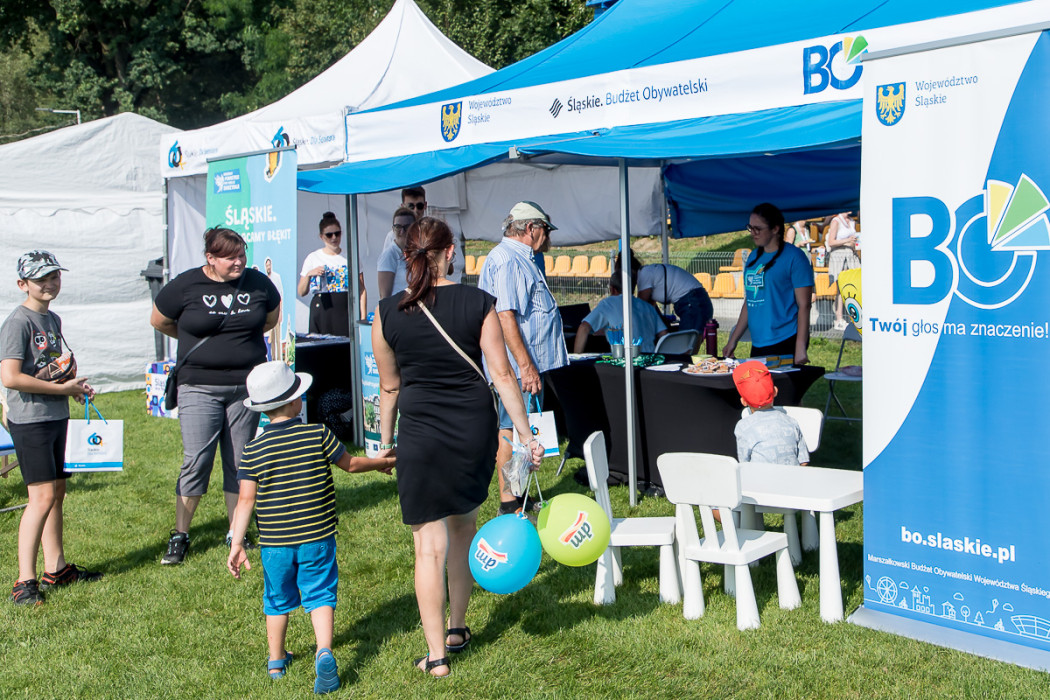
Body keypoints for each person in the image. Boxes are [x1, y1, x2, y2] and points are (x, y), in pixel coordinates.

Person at [372, 217, 543, 678]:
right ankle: (457, 628)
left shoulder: (387, 312)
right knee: (463, 528)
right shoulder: (478, 302)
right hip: (472, 430)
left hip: (420, 436)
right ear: (450, 252)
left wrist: (384, 444)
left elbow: (389, 387)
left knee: (428, 547)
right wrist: (526, 435)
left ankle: (437, 656)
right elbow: (502, 375)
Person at [227, 361, 394, 691]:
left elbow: (245, 500)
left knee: (276, 600)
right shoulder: (317, 433)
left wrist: (236, 543)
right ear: (295, 402)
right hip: (317, 536)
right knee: (320, 594)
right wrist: (382, 462)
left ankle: (276, 661)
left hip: (274, 544)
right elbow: (351, 464)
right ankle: (324, 651)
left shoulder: (252, 449)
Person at [151, 227, 281, 565]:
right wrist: (195, 339)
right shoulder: (186, 285)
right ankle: (180, 534)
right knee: (197, 459)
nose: (239, 262)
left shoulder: (258, 283)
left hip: (246, 386)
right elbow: (160, 320)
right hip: (198, 385)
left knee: (240, 461)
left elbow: (269, 319)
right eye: (230, 257)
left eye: (242, 255)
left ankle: (236, 532)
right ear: (210, 258)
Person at [2, 251, 101, 605]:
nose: (50, 284)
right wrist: (60, 390)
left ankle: (56, 569)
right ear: (22, 284)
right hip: (30, 421)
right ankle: (24, 582)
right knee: (41, 498)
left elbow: (52, 367)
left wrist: (73, 388)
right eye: (41, 279)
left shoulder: (52, 319)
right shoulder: (18, 322)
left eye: (54, 276)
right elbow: (10, 377)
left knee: (57, 493)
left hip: (56, 416)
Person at [478, 201, 568, 516]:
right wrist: (526, 366)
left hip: (520, 366)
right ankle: (509, 501)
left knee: (519, 430)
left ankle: (519, 494)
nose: (547, 237)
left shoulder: (516, 258)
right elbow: (506, 315)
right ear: (530, 228)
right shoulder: (509, 260)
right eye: (545, 230)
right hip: (517, 368)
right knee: (512, 429)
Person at [723, 203, 814, 365]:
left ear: (775, 229)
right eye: (750, 228)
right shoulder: (753, 257)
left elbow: (804, 305)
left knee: (779, 382)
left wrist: (800, 347)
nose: (753, 233)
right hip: (759, 342)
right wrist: (733, 340)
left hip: (785, 338)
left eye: (758, 228)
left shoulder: (795, 257)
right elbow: (750, 302)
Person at [574, 253, 667, 353]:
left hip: (626, 360)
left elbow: (584, 328)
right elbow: (664, 334)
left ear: (612, 289)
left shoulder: (608, 303)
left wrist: (576, 358)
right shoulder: (648, 306)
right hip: (650, 359)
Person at [298, 212, 366, 336]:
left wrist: (363, 316)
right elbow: (301, 292)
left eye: (337, 233)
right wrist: (309, 275)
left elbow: (361, 289)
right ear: (321, 237)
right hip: (323, 307)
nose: (334, 238)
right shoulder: (313, 258)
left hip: (344, 307)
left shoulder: (351, 256)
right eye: (329, 235)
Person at [733, 361, 809, 466]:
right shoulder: (791, 422)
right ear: (775, 391)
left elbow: (744, 463)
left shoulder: (743, 426)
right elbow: (803, 461)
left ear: (743, 401)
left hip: (760, 476)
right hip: (793, 475)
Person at [635, 256, 713, 334]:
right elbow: (651, 307)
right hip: (697, 300)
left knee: (686, 339)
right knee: (691, 339)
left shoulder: (644, 274)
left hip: (693, 301)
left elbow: (641, 307)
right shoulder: (649, 271)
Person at [825, 211, 861, 330]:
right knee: (840, 288)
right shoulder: (835, 221)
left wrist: (854, 243)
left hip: (850, 255)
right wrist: (847, 240)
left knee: (853, 286)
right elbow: (831, 242)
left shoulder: (852, 221)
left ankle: (855, 318)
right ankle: (839, 319)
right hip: (839, 256)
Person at [377, 207, 413, 299]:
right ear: (393, 229)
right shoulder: (389, 255)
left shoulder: (418, 252)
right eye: (398, 227)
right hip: (398, 306)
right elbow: (384, 297)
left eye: (407, 227)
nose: (402, 231)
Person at [264, 257, 284, 361]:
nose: (268, 267)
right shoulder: (265, 278)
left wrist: (280, 312)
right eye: (266, 265)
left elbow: (281, 296)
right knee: (270, 339)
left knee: (277, 338)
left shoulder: (276, 277)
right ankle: (272, 359)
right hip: (268, 313)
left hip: (276, 311)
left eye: (269, 265)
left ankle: (279, 359)